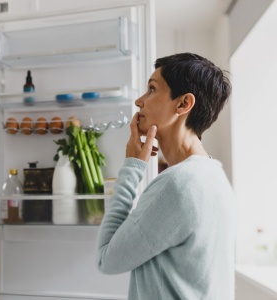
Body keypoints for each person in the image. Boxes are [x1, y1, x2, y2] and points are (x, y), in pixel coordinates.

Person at [96, 53, 235, 300]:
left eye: (151, 89)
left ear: (183, 104)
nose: (139, 101)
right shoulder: (214, 175)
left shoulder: (178, 185)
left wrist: (132, 167)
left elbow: (106, 259)